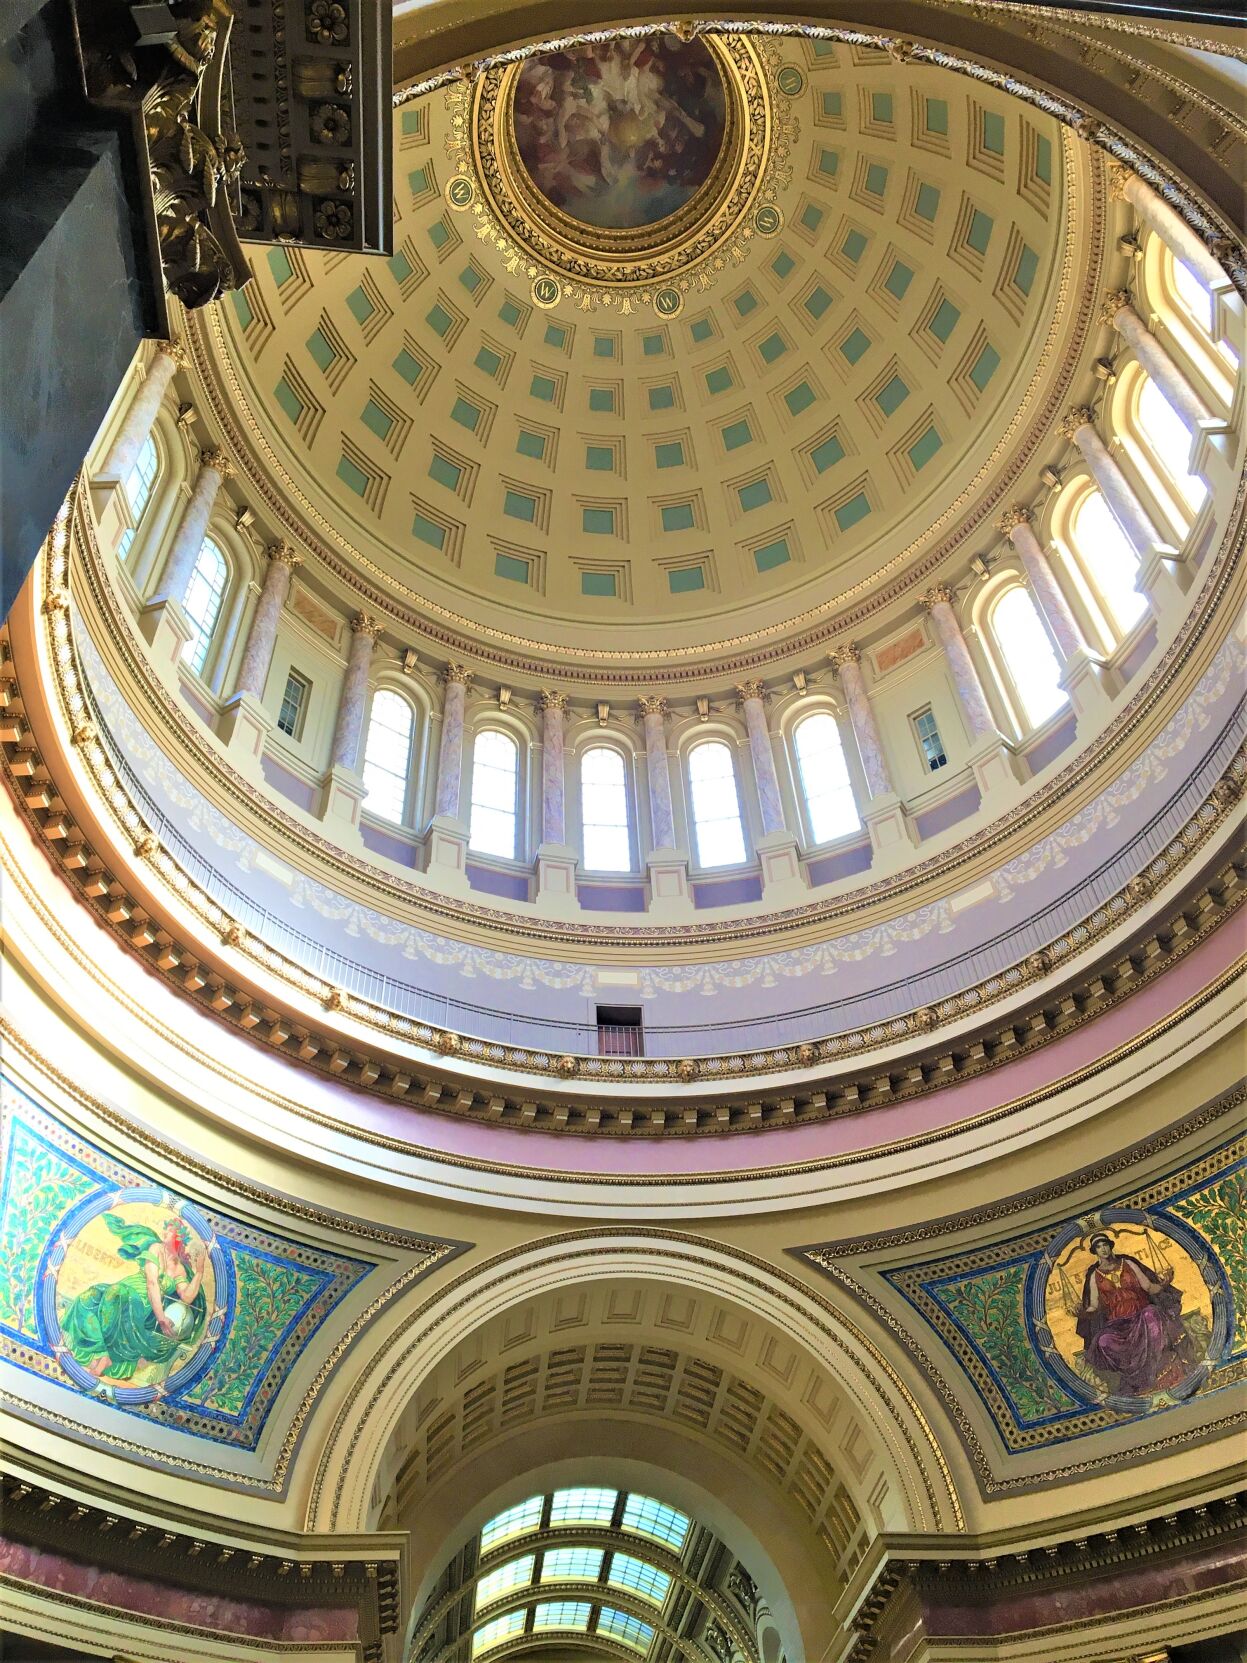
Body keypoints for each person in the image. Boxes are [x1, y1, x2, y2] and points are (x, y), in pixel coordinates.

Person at [60, 1213, 208, 1382]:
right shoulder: (155, 1249)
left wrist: (200, 1272)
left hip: (140, 1302)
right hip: (126, 1288)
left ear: (179, 1237)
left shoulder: (179, 1269)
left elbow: (187, 1297)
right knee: (89, 1296)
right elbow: (151, 1281)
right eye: (165, 1229)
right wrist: (161, 1317)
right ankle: (102, 1353)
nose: (165, 1232)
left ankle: (105, 1357)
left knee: (115, 1294)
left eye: (170, 1231)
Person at [1075, 1231, 1193, 1397]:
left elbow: (1149, 1287)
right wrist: (1080, 1313)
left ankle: (1158, 1369)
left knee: (1151, 1314)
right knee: (1103, 1341)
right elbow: (1093, 1306)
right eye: (1098, 1247)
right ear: (1095, 1251)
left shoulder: (1128, 1263)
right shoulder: (1095, 1276)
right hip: (1118, 1325)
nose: (1103, 1249)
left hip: (1140, 1314)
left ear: (1110, 1246)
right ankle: (1137, 1379)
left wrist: (1164, 1284)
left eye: (1105, 1245)